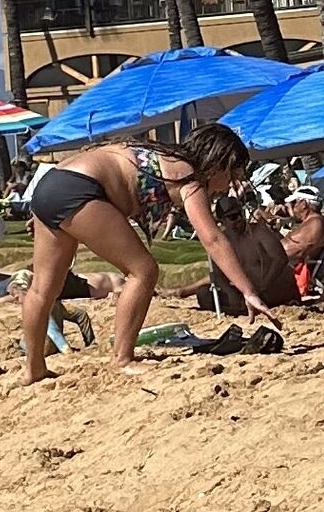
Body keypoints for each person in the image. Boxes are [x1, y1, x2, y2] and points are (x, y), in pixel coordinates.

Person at [14, 122, 279, 380]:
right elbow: (213, 239)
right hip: (80, 189)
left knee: (42, 289)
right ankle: (122, 359)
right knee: (143, 271)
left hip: (51, 185)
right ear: (218, 164)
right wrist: (249, 291)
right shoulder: (189, 175)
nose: (227, 187)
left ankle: (34, 368)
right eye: (231, 176)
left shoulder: (166, 155)